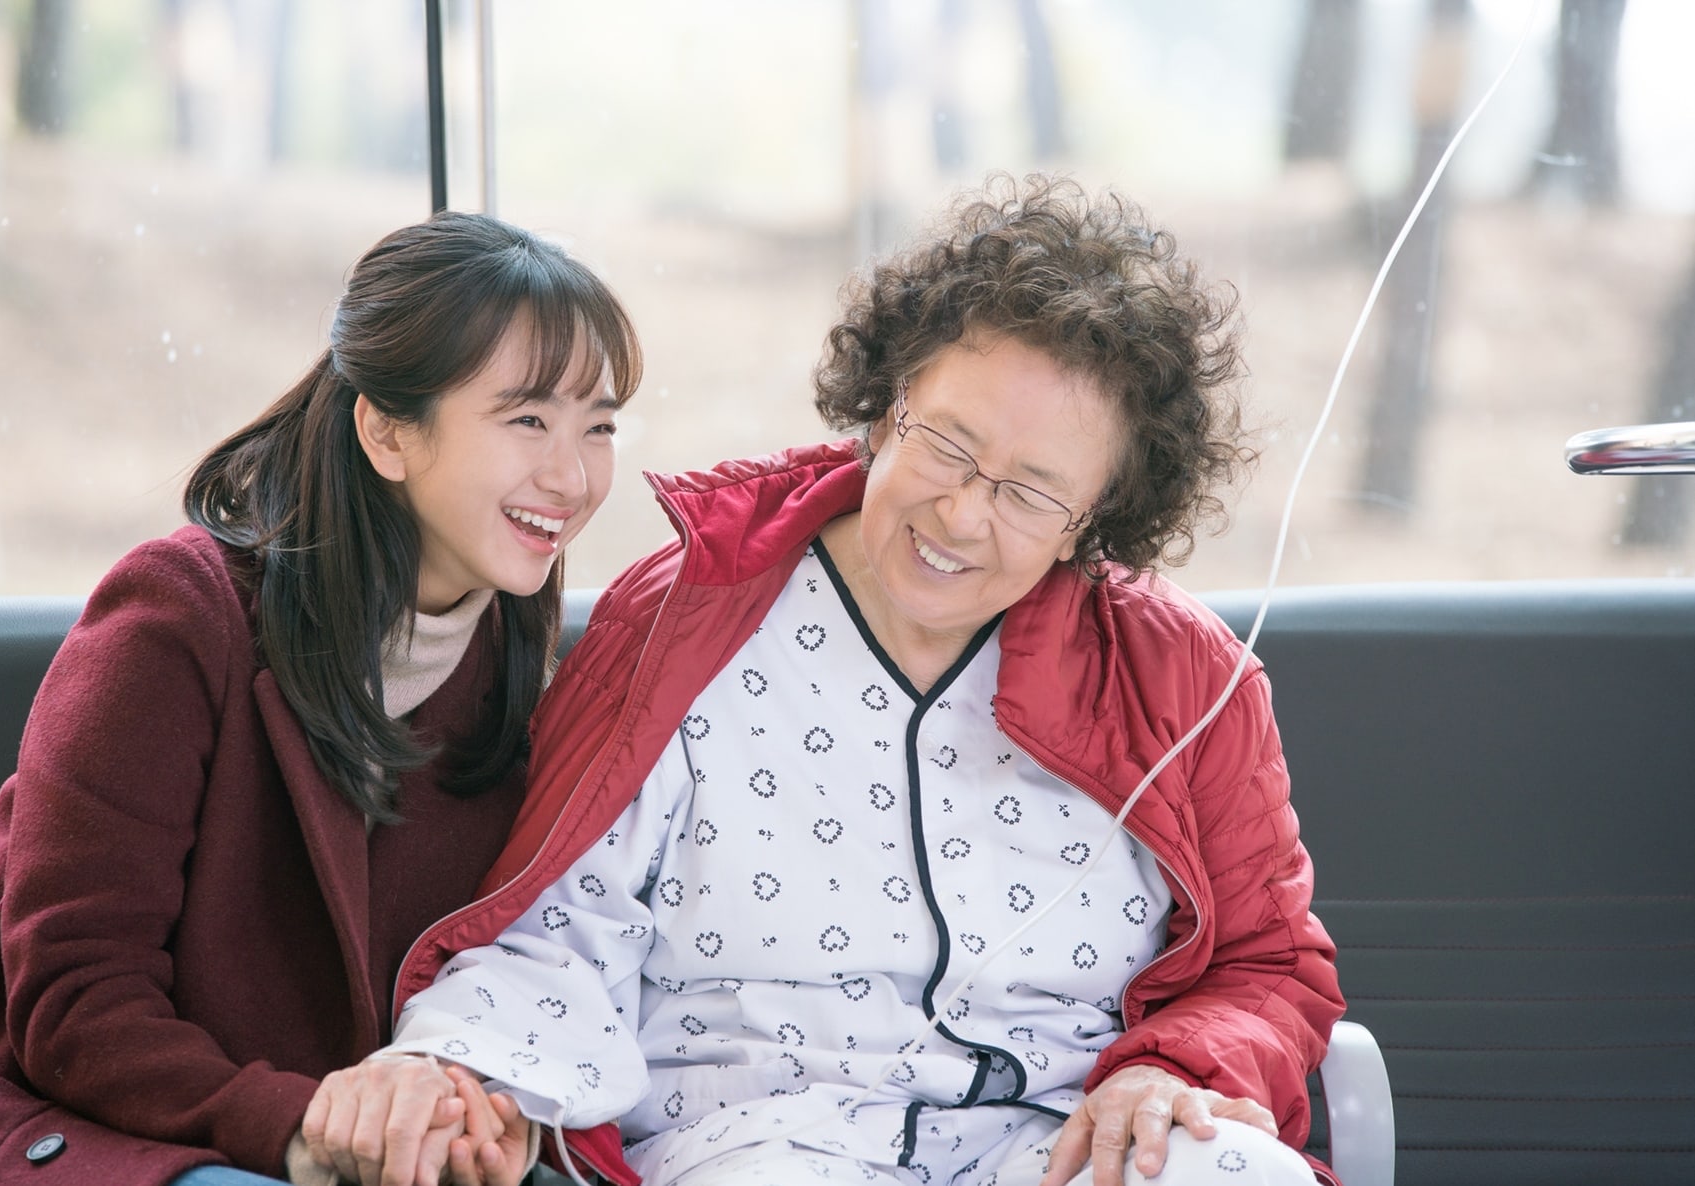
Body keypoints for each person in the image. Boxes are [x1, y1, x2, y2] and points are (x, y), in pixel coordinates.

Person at [313, 175, 1345, 1186]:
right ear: (886, 408)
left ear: (1099, 517)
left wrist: (1169, 1068)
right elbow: (558, 929)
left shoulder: (1179, 678)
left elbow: (1267, 963)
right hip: (756, 1138)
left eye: (1031, 494)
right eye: (945, 443)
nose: (961, 515)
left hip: (1066, 1138)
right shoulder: (686, 620)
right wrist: (450, 1065)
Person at [0, 210, 642, 1186]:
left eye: (598, 427)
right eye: (527, 420)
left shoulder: (518, 658)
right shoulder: (176, 617)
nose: (574, 474)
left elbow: (512, 972)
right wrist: (305, 1126)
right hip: (94, 1129)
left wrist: (479, 1114)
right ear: (386, 430)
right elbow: (75, 1001)